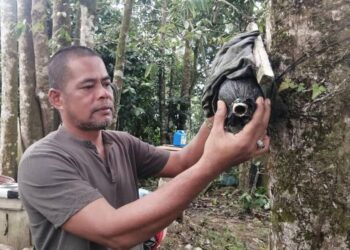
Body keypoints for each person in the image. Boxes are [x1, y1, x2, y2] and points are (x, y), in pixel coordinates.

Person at [18, 46, 271, 250]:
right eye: (88, 86)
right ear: (56, 98)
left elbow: (183, 162)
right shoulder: (42, 161)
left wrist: (218, 110)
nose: (104, 94)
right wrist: (215, 164)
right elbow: (114, 233)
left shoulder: (121, 143)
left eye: (106, 84)